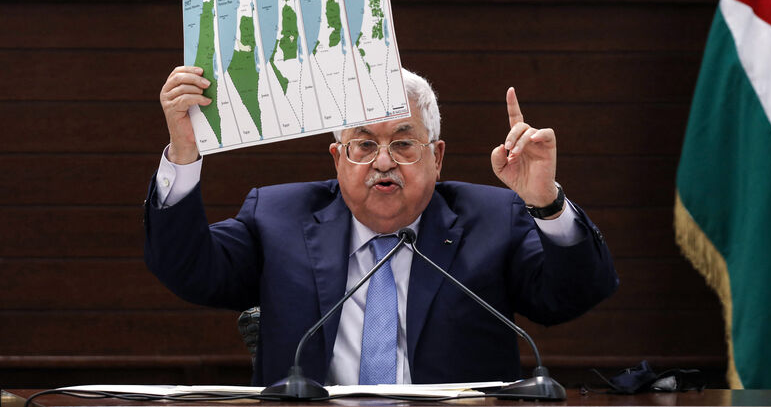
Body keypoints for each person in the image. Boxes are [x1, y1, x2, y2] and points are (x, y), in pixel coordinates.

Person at [145, 65, 617, 387]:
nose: (384, 162)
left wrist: (545, 202)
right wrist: (183, 154)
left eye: (404, 144)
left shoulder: (493, 219)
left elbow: (575, 295)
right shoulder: (277, 217)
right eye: (364, 144)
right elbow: (188, 268)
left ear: (437, 157)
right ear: (338, 158)